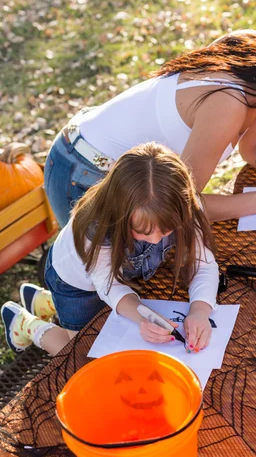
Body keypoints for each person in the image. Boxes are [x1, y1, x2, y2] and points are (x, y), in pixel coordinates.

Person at [44, 28, 256, 228]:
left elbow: (254, 151)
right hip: (84, 175)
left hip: (86, 146)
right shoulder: (229, 103)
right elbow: (177, 206)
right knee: (109, 292)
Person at [1, 143, 218, 357]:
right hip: (73, 284)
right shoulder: (94, 230)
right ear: (119, 213)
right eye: (143, 232)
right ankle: (25, 324)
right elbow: (108, 285)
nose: (154, 241)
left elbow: (204, 264)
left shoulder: (187, 205)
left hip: (113, 276)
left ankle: (44, 302)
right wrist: (143, 318)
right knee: (83, 356)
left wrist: (200, 311)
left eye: (167, 230)